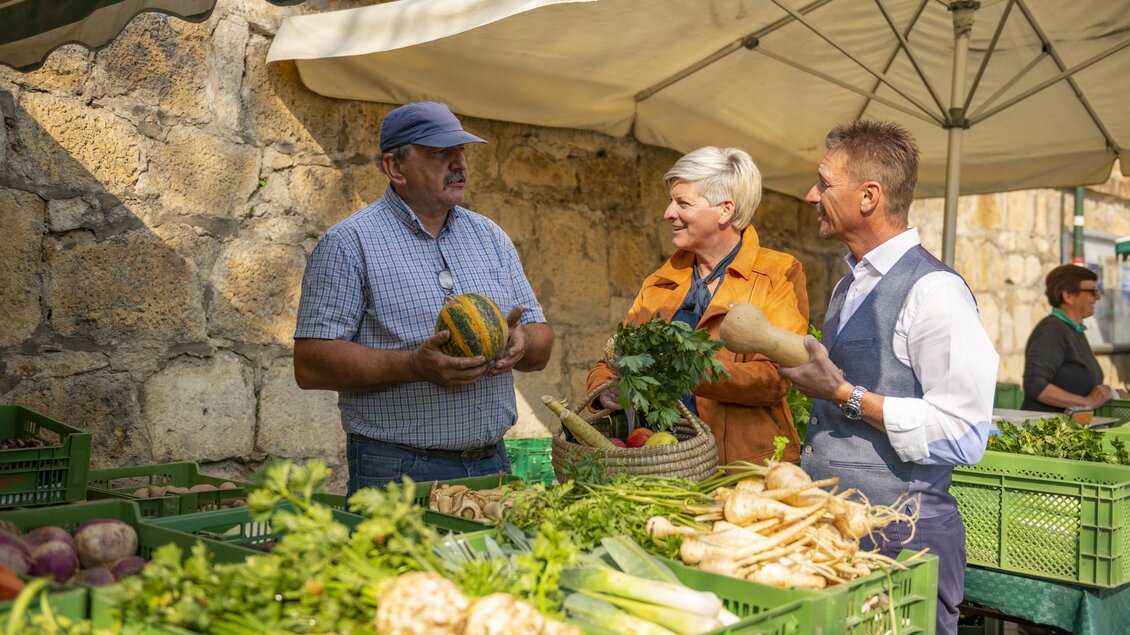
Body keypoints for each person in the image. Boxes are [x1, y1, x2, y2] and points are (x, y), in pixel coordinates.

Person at [776, 120, 998, 635]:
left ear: (869, 196)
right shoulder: (847, 286)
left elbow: (964, 434)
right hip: (836, 534)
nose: (811, 196)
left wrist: (843, 394)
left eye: (824, 183)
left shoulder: (935, 292)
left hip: (903, 540)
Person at [292, 101, 554, 496]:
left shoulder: (491, 238)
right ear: (395, 168)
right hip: (397, 467)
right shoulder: (349, 243)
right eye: (440, 153)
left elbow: (541, 342)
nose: (459, 164)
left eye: (461, 151)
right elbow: (310, 365)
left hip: (492, 463)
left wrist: (523, 342)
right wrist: (414, 365)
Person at [587, 146, 810, 465]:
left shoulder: (778, 273)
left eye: (683, 203)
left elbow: (773, 380)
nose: (668, 213)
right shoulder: (659, 282)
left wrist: (686, 373)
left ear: (725, 210)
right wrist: (606, 391)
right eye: (671, 201)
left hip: (743, 468)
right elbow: (610, 361)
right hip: (660, 463)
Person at [1021, 264, 1119, 412]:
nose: (1098, 297)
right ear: (1068, 296)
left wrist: (1111, 394)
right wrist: (1086, 402)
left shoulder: (1073, 329)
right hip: (1047, 426)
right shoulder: (1052, 331)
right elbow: (1035, 385)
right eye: (1092, 292)